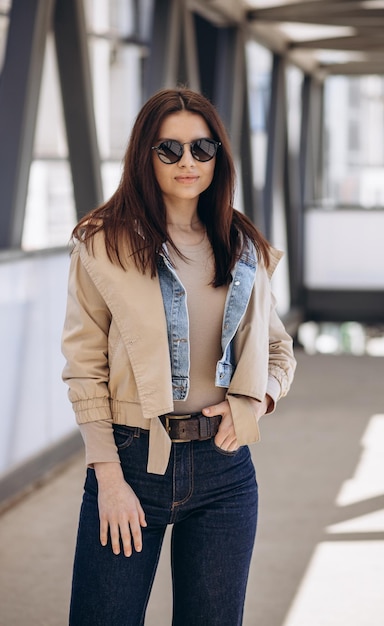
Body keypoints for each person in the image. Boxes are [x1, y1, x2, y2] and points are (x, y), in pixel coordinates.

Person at [61, 87, 296, 626]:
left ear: (218, 156)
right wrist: (108, 479)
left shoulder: (242, 246)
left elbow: (278, 349)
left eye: (201, 149)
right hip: (130, 461)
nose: (187, 162)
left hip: (226, 469)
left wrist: (258, 400)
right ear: (145, 155)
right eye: (169, 149)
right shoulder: (102, 244)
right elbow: (84, 367)